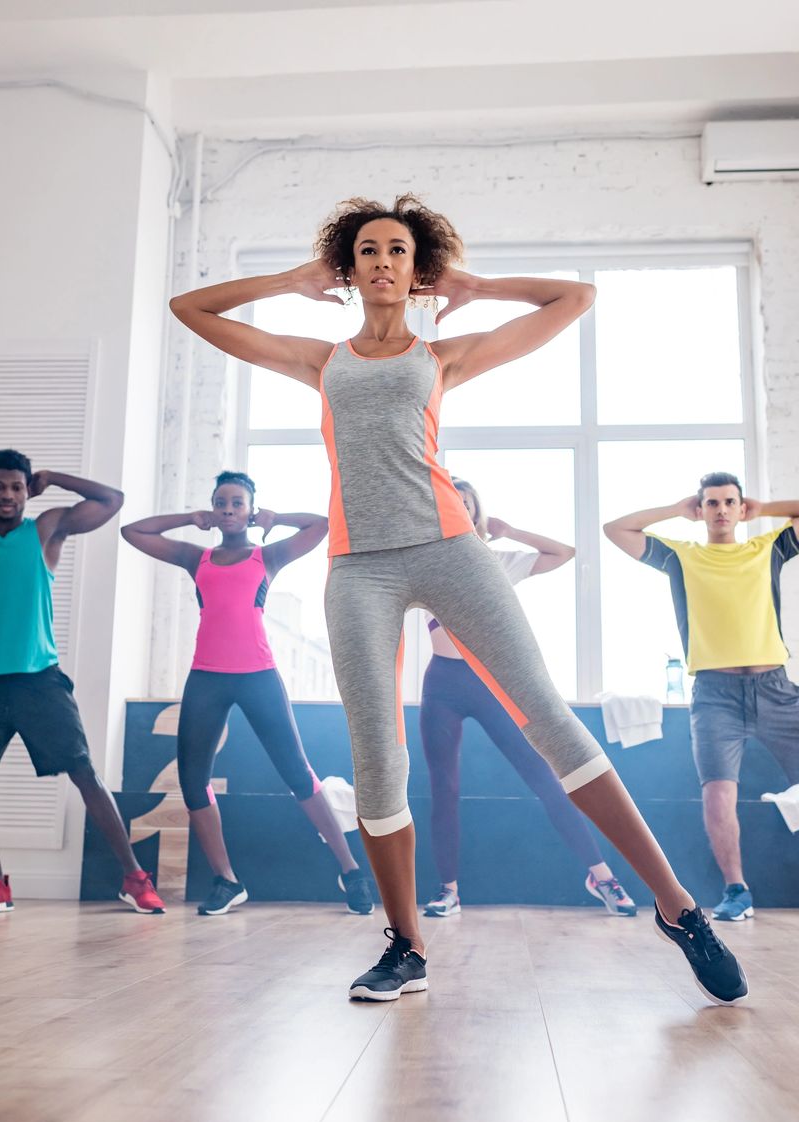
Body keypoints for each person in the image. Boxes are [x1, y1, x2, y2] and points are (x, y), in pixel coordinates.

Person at [169, 194, 747, 1005]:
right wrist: (291, 278)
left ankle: (680, 907)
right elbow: (186, 307)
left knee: (548, 716)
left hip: (450, 549)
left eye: (397, 250)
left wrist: (476, 286)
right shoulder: (319, 359)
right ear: (349, 266)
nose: (381, 260)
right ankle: (406, 945)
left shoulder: (442, 358)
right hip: (358, 565)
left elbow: (576, 299)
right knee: (377, 755)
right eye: (366, 249)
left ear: (416, 268)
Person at [121, 470, 374, 916]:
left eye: (238, 503)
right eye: (221, 503)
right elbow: (132, 531)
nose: (229, 510)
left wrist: (275, 517)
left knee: (297, 772)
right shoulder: (194, 557)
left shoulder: (268, 556)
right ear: (213, 510)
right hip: (207, 678)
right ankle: (227, 880)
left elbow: (319, 524)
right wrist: (189, 517)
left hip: (259, 675)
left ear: (250, 509)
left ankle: (351, 871)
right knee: (192, 780)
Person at [421, 477, 636, 918]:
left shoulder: (499, 560)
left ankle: (601, 876)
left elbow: (564, 553)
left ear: (478, 513)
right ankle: (448, 890)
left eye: (467, 505)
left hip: (491, 682)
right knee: (443, 789)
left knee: (545, 777)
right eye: (451, 503)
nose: (460, 510)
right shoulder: (425, 559)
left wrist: (509, 530)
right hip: (442, 683)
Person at [604, 471, 799, 921]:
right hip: (715, 696)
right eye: (712, 503)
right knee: (717, 795)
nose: (722, 511)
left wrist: (764, 509)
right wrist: (674, 511)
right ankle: (737, 891)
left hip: (776, 689)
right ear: (701, 509)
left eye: (730, 502)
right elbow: (616, 529)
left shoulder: (765, 548)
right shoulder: (682, 556)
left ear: (740, 507)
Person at [0, 449, 165, 914]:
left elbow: (111, 500)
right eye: (0, 487)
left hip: (38, 680)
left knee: (85, 774)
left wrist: (53, 476)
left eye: (16, 486)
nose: (8, 495)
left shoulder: (44, 530)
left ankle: (133, 877)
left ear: (26, 490)